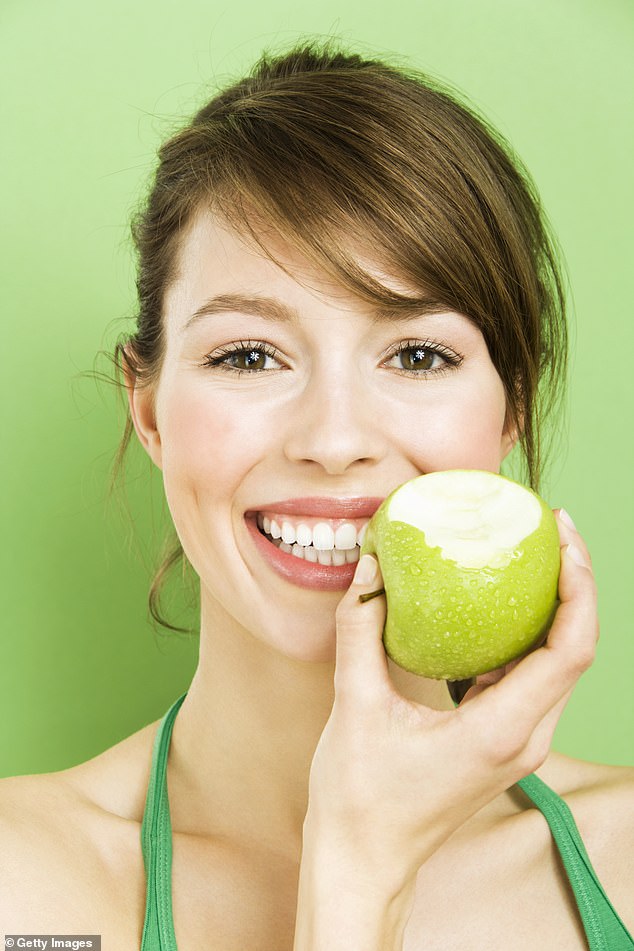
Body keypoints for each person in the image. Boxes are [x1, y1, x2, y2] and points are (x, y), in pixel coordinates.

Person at [2, 38, 633, 950]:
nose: (335, 442)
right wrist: (355, 871)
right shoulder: (20, 886)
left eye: (418, 355)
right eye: (249, 355)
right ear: (147, 411)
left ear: (510, 414)